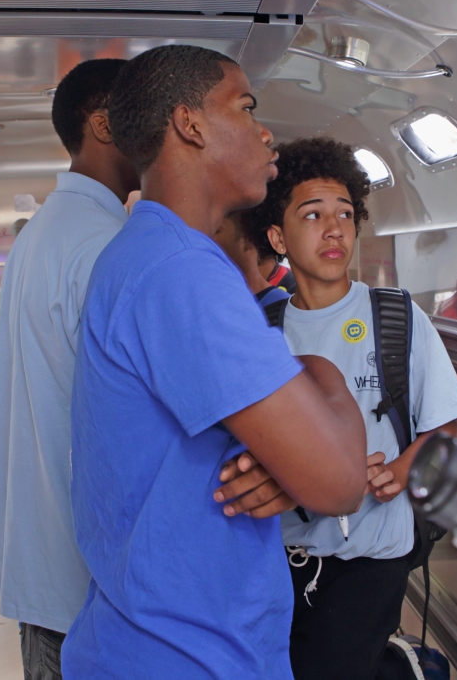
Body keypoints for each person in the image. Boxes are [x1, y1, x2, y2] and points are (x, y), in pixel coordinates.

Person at [64, 45, 368, 680]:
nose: (263, 131)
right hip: (187, 656)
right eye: (246, 106)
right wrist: (327, 374)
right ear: (190, 124)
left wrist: (288, 463)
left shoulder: (143, 253)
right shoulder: (184, 272)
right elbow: (339, 482)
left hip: (145, 639)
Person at [244, 137, 457, 680]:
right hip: (281, 560)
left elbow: (448, 431)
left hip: (373, 560)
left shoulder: (396, 319)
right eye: (313, 214)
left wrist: (397, 471)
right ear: (277, 235)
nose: (334, 229)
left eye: (345, 213)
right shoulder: (262, 335)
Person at [0, 58, 141, 679]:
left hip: (47, 560)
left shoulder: (48, 231)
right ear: (104, 124)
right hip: (87, 577)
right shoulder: (104, 243)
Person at [213, 211, 291, 307]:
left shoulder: (284, 307)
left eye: (217, 230)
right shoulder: (216, 299)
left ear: (248, 238)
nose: (207, 237)